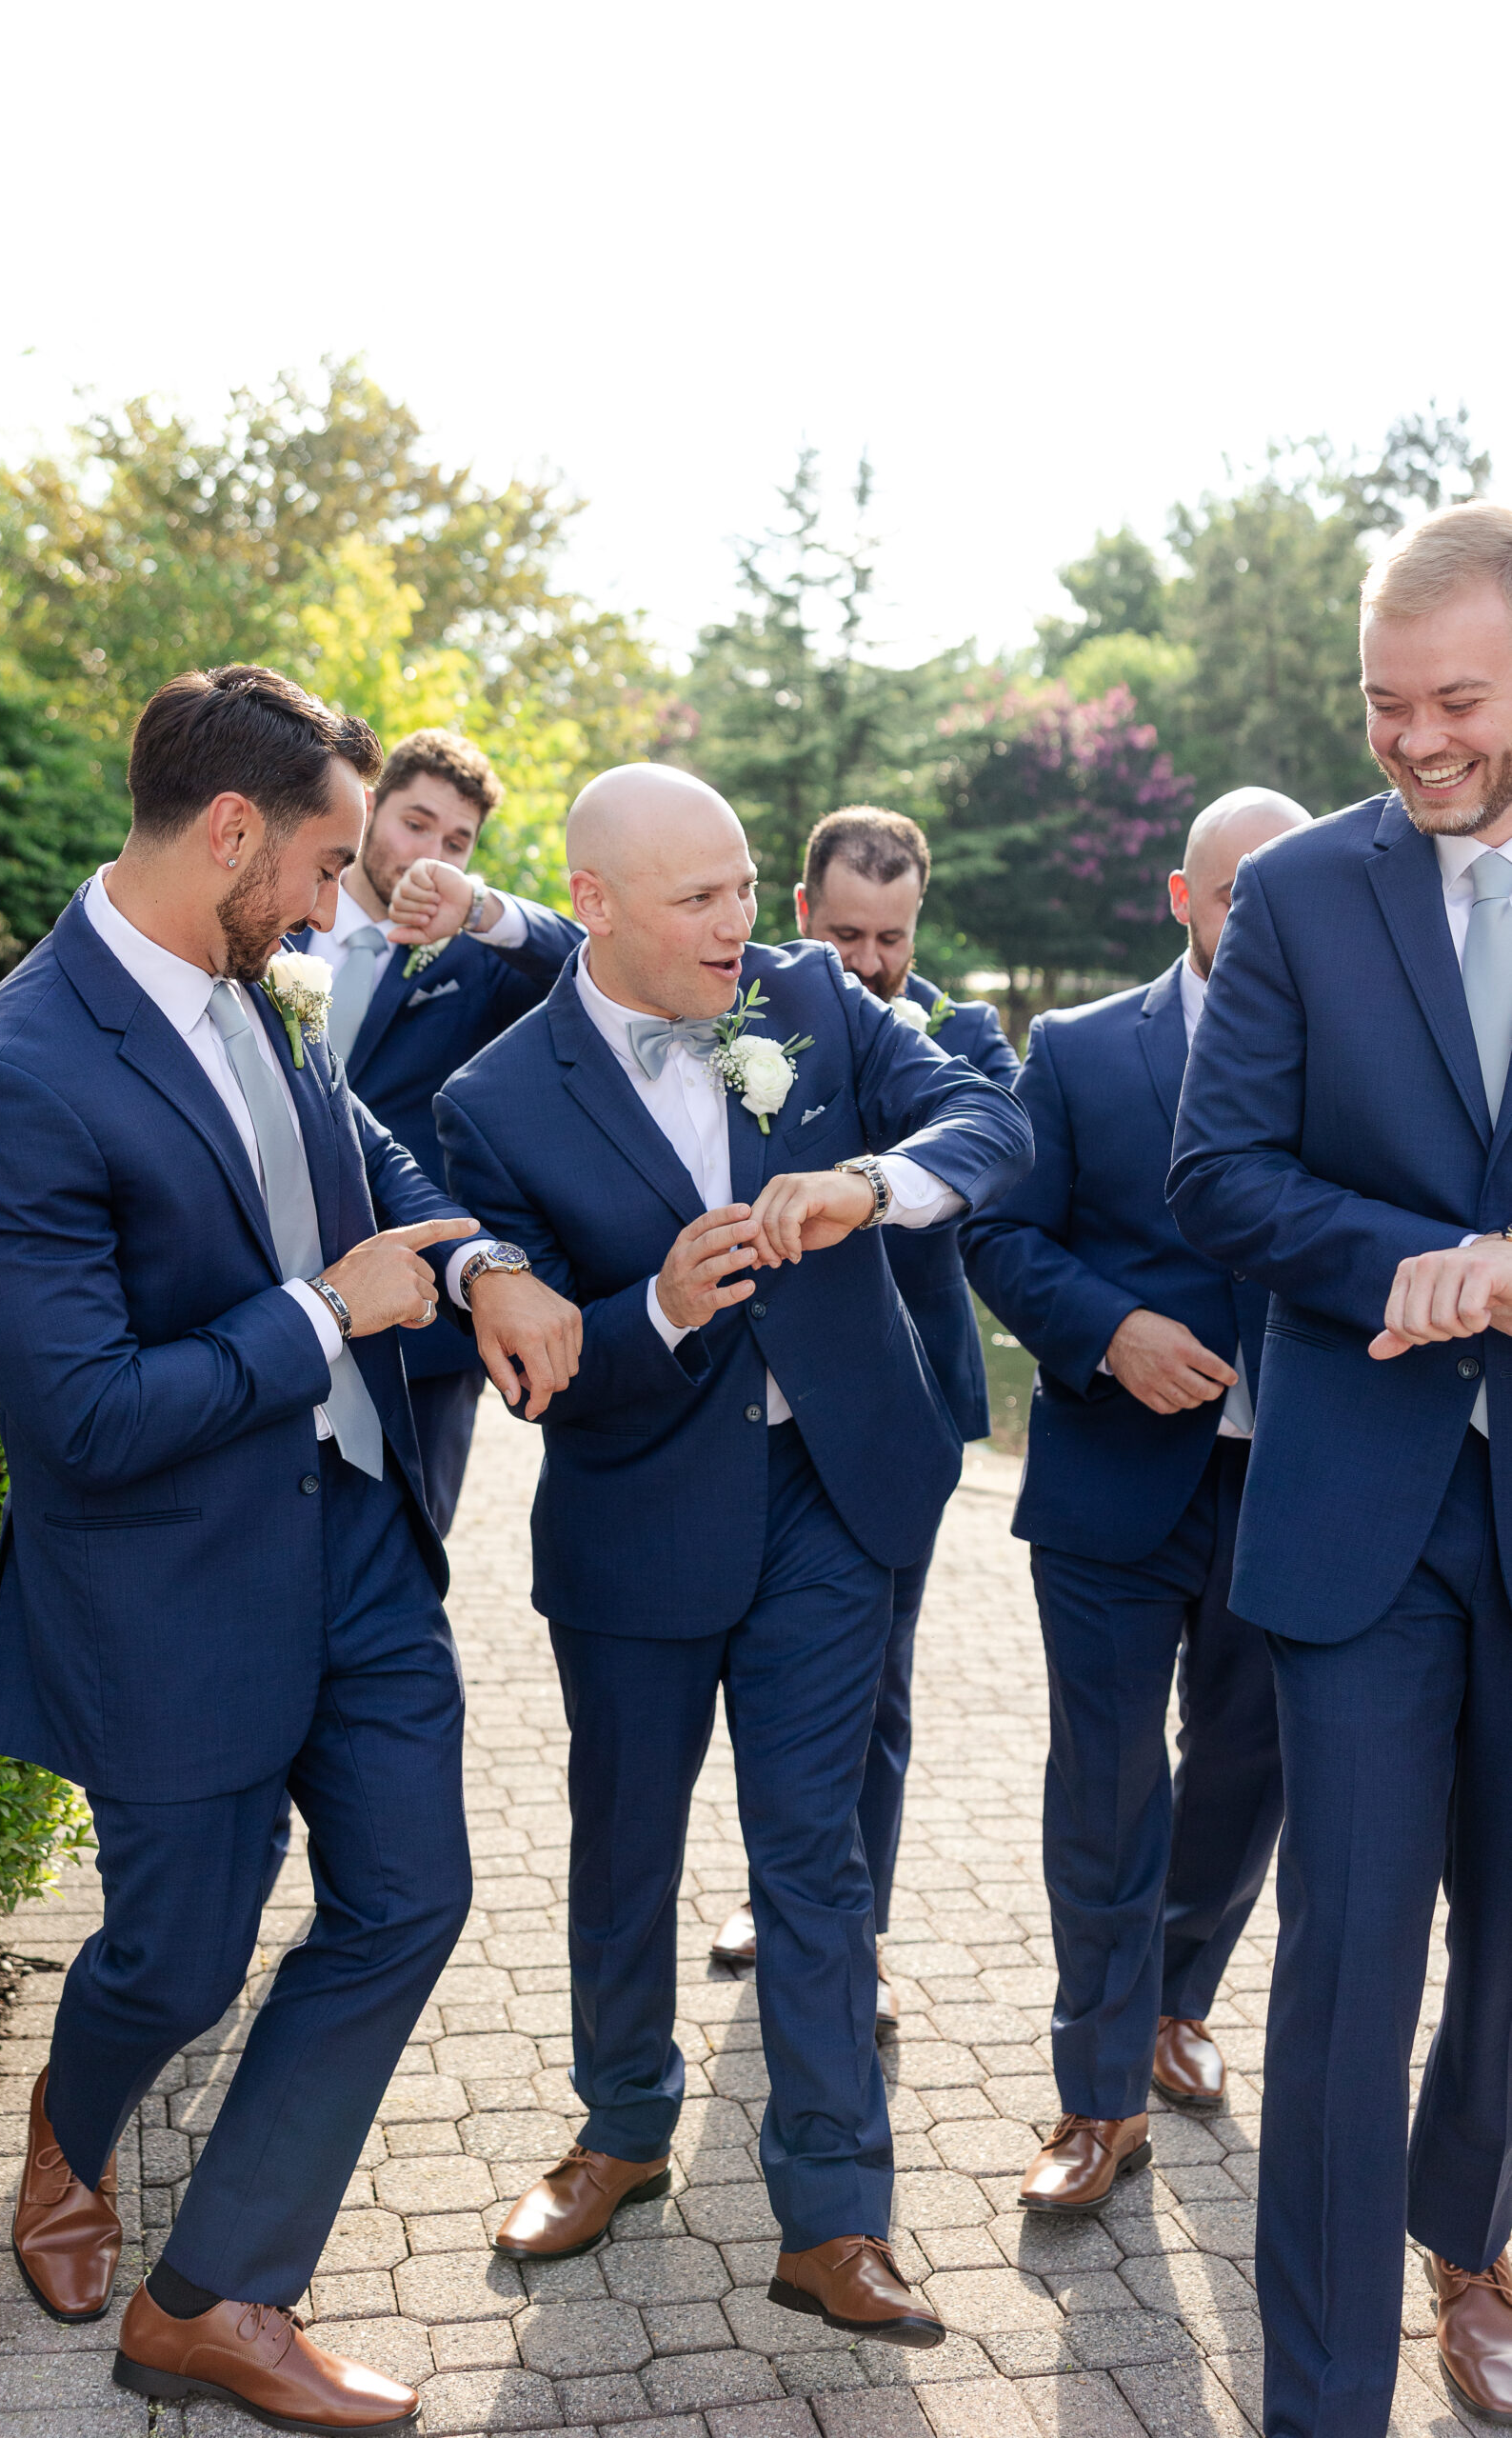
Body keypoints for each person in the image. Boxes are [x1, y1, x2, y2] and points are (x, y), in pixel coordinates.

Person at [0, 666, 581, 2436]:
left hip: (357, 1541)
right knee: (179, 1959)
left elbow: (353, 1143)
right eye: (323, 863)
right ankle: (71, 2135)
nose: (336, 905)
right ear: (231, 831)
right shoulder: (15, 1075)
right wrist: (318, 1317)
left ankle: (215, 2297)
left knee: (408, 1898)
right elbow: (82, 1417)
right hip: (167, 1595)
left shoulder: (261, 981)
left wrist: (469, 1263)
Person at [434, 764, 1031, 2344]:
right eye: (697, 899)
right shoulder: (491, 1104)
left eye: (744, 884)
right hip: (634, 1514)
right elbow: (541, 1369)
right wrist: (659, 1312)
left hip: (831, 1494)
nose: (737, 922)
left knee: (813, 1858)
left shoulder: (818, 1004)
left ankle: (833, 2216)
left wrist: (869, 1183)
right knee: (626, 1848)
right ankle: (622, 2128)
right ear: (596, 904)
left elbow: (992, 1122)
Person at [1168, 501, 1512, 2438]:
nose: (1414, 739)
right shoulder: (1296, 892)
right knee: (1345, 1963)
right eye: (1385, 706)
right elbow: (1211, 1177)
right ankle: (1316, 2397)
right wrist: (1411, 1265)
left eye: (1454, 698)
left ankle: (1471, 2235)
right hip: (1352, 1520)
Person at [965, 787, 1307, 2216]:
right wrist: (1106, 1329)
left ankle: (1175, 2000)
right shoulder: (1083, 1049)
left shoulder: (1353, 1054)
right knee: (1102, 1791)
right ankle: (1092, 2098)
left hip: (1294, 1485)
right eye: (1238, 897)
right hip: (1110, 1480)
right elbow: (998, 1233)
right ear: (1184, 896)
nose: (1262, 925)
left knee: (1245, 1772)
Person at [708, 807, 1019, 2028]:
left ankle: (863, 1929)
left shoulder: (961, 1035)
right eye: (845, 932)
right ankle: (777, 1888)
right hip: (765, 1405)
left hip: (906, 1408)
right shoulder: (744, 1015)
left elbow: (998, 1152)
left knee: (877, 1681)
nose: (870, 959)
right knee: (767, 1666)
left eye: (892, 935)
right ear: (799, 913)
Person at [288, 728, 584, 1532]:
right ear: (370, 809)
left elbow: (594, 968)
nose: (431, 854)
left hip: (421, 1320)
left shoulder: (477, 961)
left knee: (409, 1552)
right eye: (415, 824)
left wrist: (483, 910)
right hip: (266, 1294)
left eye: (456, 842)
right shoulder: (272, 921)